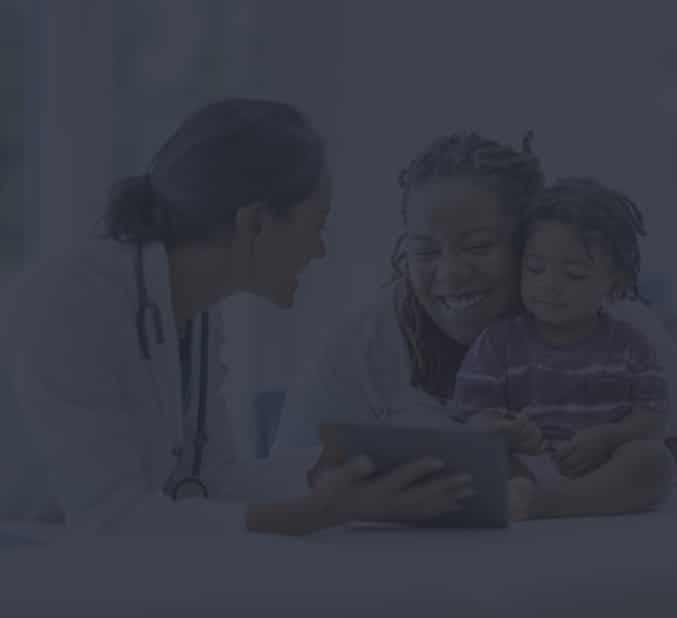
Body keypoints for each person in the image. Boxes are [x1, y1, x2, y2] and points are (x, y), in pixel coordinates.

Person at [2, 98, 473, 536]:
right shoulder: (70, 299)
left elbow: (212, 481)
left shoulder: (197, 314)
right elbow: (111, 519)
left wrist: (372, 463)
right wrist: (316, 513)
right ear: (255, 223)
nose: (320, 249)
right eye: (317, 225)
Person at [274, 131, 676, 518]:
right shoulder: (354, 347)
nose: (450, 274)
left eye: (479, 246)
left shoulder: (620, 322)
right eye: (425, 250)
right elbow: (288, 479)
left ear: (527, 240)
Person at [452, 177, 672, 519]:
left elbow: (654, 418)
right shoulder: (497, 343)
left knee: (654, 461)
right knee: (471, 460)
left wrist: (607, 438)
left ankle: (547, 504)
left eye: (574, 274)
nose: (550, 286)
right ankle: (532, 496)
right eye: (535, 269)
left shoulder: (631, 345)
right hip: (524, 464)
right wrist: (507, 431)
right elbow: (473, 417)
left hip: (604, 466)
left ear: (616, 285)